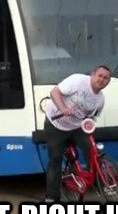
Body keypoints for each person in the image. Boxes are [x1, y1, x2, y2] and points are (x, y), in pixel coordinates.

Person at [43, 65, 112, 202]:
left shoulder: (100, 100)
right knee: (55, 160)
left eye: (106, 78)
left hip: (76, 126)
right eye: (100, 76)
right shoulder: (77, 81)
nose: (102, 80)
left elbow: (92, 118)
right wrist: (63, 108)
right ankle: (51, 197)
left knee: (92, 150)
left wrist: (89, 123)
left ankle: (97, 181)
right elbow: (54, 92)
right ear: (92, 75)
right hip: (56, 124)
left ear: (108, 82)